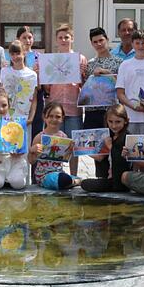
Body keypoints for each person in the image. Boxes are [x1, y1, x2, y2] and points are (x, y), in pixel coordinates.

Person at [41, 24, 87, 175]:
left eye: (66, 37)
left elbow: (85, 86)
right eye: (60, 37)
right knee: (55, 144)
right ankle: (55, 173)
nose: (63, 40)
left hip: (74, 108)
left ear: (72, 39)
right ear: (56, 40)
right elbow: (47, 89)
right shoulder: (50, 60)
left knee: (74, 144)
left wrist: (82, 76)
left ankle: (73, 175)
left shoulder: (80, 59)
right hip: (55, 109)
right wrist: (43, 77)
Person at [82, 27, 122, 177]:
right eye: (95, 42)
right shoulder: (89, 64)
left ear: (107, 40)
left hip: (111, 111)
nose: (99, 44)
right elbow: (85, 87)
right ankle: (101, 177)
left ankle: (115, 177)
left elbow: (122, 85)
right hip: (93, 111)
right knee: (97, 148)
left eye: (101, 40)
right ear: (92, 44)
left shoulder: (118, 62)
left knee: (113, 146)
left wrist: (107, 74)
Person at [28, 102, 80, 190]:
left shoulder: (63, 137)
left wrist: (70, 150)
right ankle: (73, 182)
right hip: (43, 176)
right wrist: (32, 150)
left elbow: (65, 158)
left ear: (62, 118)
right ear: (44, 117)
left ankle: (72, 181)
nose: (54, 119)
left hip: (58, 173)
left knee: (65, 179)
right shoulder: (39, 137)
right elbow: (31, 161)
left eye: (58, 117)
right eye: (50, 116)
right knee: (65, 179)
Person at [80, 104, 132, 192]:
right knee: (85, 183)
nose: (114, 126)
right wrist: (80, 149)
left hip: (120, 180)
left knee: (86, 184)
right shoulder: (108, 135)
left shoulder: (127, 137)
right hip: (107, 177)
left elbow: (122, 161)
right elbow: (100, 157)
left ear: (126, 121)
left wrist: (110, 147)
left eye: (118, 122)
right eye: (110, 122)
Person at [0, 40, 38, 139]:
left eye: (18, 53)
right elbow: (1, 95)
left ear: (24, 53)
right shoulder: (4, 71)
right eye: (12, 54)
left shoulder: (32, 75)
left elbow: (34, 99)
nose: (15, 57)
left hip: (24, 118)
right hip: (7, 117)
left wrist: (31, 118)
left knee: (23, 145)